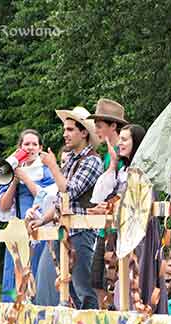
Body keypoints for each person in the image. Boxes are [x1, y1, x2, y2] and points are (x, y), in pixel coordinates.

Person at [32, 106, 104, 309]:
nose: (65, 134)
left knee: (83, 288)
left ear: (84, 133)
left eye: (70, 129)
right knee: (70, 288)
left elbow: (69, 191)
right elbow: (60, 203)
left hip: (81, 232)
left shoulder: (92, 161)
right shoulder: (72, 160)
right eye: (65, 129)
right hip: (65, 233)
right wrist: (42, 220)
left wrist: (53, 166)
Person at [0, 129, 55, 301]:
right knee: (13, 278)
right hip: (18, 231)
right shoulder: (12, 171)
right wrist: (14, 181)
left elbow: (47, 199)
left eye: (34, 144)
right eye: (26, 144)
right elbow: (4, 207)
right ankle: (12, 313)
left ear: (40, 148)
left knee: (36, 276)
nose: (30, 148)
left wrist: (26, 179)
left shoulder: (46, 172)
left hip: (39, 231)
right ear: (19, 147)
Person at [88, 124, 147, 305]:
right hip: (114, 231)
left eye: (124, 139)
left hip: (135, 232)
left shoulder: (142, 169)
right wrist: (113, 164)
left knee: (132, 281)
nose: (119, 144)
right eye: (119, 139)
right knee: (101, 280)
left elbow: (133, 201)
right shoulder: (122, 170)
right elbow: (98, 196)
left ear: (135, 142)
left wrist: (107, 207)